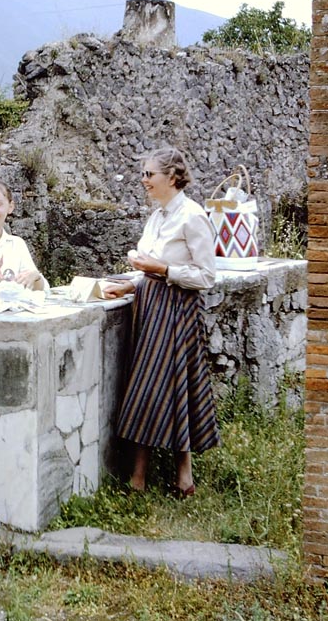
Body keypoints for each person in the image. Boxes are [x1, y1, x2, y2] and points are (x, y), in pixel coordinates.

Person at [102, 146, 218, 498]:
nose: (144, 180)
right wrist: (130, 283)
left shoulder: (192, 216)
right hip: (150, 308)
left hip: (178, 310)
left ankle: (176, 476)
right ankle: (145, 475)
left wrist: (163, 269)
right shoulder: (158, 216)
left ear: (172, 177)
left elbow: (206, 277)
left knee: (170, 386)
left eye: (149, 174)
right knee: (148, 386)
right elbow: (145, 268)